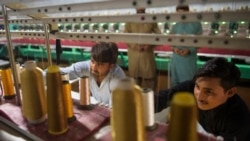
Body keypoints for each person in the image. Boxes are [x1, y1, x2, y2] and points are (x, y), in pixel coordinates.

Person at [155, 57, 250, 141]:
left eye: (208, 92)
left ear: (230, 92)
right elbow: (161, 98)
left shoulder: (239, 120)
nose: (199, 96)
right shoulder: (191, 88)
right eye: (197, 87)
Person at [59, 42, 126, 106]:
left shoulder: (118, 80)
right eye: (92, 61)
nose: (94, 67)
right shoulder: (87, 67)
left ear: (111, 66)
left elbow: (115, 111)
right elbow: (63, 72)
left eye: (100, 64)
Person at [124, 7, 161, 92]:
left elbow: (158, 35)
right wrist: (134, 46)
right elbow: (125, 36)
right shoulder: (130, 19)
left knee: (150, 84)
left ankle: (151, 104)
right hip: (134, 56)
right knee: (134, 85)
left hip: (147, 56)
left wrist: (150, 44)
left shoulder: (151, 18)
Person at [170, 5, 203, 86]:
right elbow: (170, 40)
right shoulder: (175, 25)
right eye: (179, 13)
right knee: (175, 85)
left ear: (188, 12)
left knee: (188, 85)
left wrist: (189, 50)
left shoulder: (196, 24)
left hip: (188, 61)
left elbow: (200, 42)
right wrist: (174, 49)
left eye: (183, 13)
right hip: (176, 60)